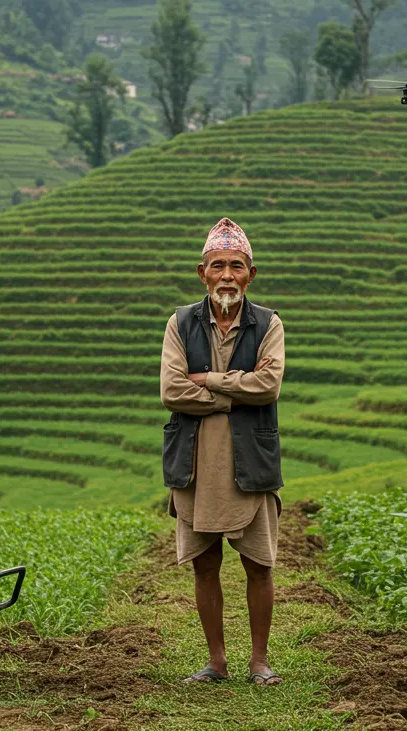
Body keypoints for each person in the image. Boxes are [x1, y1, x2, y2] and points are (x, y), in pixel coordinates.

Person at [160, 217, 286, 686]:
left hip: (250, 463)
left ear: (251, 274)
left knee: (258, 565)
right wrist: (236, 393)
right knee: (205, 565)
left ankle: (259, 662)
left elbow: (268, 386)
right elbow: (172, 391)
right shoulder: (180, 323)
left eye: (236, 266)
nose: (227, 275)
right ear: (203, 273)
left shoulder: (269, 323)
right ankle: (216, 662)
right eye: (218, 266)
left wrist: (210, 382)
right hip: (196, 466)